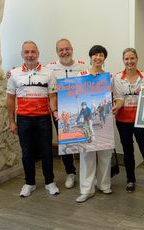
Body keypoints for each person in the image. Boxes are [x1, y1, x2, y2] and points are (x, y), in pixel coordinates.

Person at [6, 41, 59, 197]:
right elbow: (10, 99)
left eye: (33, 52)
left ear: (38, 54)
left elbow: (52, 96)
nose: (30, 55)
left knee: (46, 151)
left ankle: (50, 182)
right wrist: (11, 121)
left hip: (43, 118)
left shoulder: (48, 73)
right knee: (27, 152)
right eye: (27, 52)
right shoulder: (14, 73)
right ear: (22, 54)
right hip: (23, 119)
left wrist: (54, 111)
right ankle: (29, 183)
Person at [75, 45, 123, 203]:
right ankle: (86, 189)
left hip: (105, 120)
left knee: (105, 153)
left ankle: (104, 184)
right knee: (86, 154)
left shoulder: (110, 77)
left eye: (101, 55)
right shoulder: (80, 75)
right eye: (95, 55)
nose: (98, 58)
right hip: (86, 123)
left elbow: (119, 97)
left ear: (104, 58)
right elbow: (71, 94)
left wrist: (117, 105)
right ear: (90, 57)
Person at [112, 48, 144, 192]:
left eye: (132, 58)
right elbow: (118, 98)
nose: (129, 61)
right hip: (123, 120)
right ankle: (130, 179)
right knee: (127, 150)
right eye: (126, 59)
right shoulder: (117, 78)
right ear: (123, 60)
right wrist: (116, 107)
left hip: (141, 119)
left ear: (137, 59)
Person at [47, 38, 87, 189]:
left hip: (79, 111)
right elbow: (38, 75)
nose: (65, 52)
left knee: (84, 141)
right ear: (57, 52)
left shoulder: (82, 66)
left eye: (67, 49)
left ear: (72, 49)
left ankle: (86, 173)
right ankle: (71, 172)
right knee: (65, 143)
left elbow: (90, 84)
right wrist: (11, 73)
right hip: (60, 113)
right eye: (61, 50)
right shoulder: (50, 67)